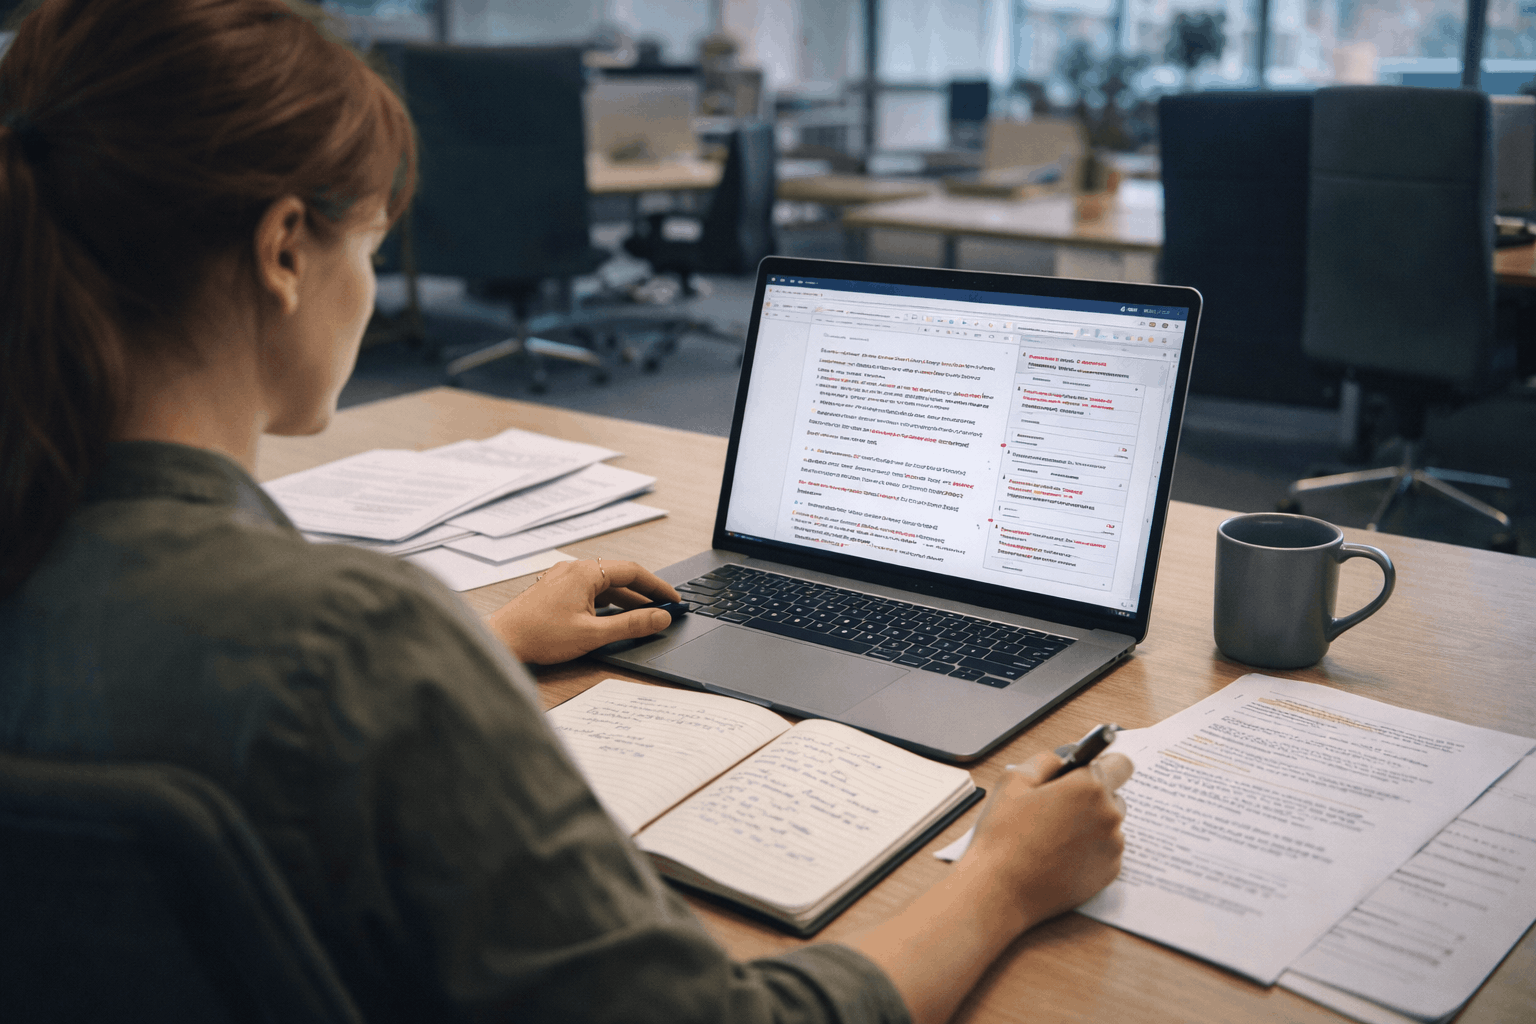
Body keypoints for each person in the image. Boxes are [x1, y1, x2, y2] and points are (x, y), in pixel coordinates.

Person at [0, 1, 1134, 1022]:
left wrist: (480, 645)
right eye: (374, 244)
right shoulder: (359, 641)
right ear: (286, 249)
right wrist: (1003, 879)